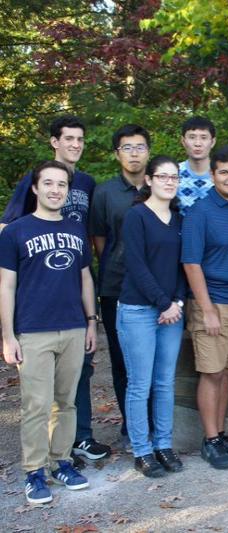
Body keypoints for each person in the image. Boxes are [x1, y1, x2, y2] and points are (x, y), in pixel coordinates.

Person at [0, 116, 111, 462]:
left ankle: (78, 442)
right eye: (69, 139)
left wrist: (91, 312)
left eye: (81, 139)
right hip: (37, 302)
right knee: (39, 395)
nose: (75, 144)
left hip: (73, 296)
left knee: (76, 381)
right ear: (54, 142)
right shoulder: (31, 186)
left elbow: (91, 242)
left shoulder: (87, 183)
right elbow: (8, 228)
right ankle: (37, 464)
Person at [0, 160, 97, 504]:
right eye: (49, 183)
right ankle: (34, 472)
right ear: (35, 189)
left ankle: (62, 462)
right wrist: (8, 336)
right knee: (36, 405)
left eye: (62, 185)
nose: (56, 190)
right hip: (33, 330)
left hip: (72, 326)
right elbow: (6, 285)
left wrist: (91, 321)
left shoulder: (75, 229)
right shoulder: (15, 231)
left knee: (66, 403)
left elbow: (85, 277)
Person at [182, 145, 228, 469]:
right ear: (213, 175)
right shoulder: (200, 212)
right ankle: (209, 441)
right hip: (212, 304)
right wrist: (207, 309)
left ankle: (220, 434)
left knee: (227, 374)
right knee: (211, 374)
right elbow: (191, 263)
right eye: (224, 172)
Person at [116, 155, 186, 478]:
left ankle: (163, 445)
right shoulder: (136, 217)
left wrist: (178, 302)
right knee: (139, 384)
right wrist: (162, 303)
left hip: (172, 312)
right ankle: (142, 450)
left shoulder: (179, 218)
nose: (169, 182)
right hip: (138, 311)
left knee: (164, 383)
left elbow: (184, 266)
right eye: (163, 176)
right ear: (149, 180)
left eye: (174, 177)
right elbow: (136, 265)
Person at [89, 124, 151, 447]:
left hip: (156, 287)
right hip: (116, 286)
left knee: (153, 360)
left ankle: (154, 423)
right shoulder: (104, 192)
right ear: (117, 154)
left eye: (139, 147)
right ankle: (131, 424)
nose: (134, 153)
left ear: (148, 151)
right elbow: (100, 241)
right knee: (122, 359)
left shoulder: (160, 186)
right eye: (127, 147)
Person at [176, 116, 217, 215]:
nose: (197, 143)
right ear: (183, 141)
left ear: (212, 142)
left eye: (203, 138)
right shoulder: (173, 173)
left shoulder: (222, 174)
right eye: (192, 137)